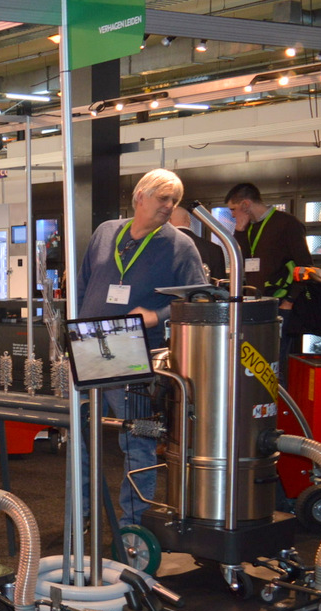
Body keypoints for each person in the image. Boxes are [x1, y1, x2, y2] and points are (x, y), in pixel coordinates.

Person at [78, 168, 207, 529]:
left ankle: (133, 527)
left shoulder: (180, 245)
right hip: (91, 343)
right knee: (81, 437)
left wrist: (156, 316)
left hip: (136, 350)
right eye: (163, 198)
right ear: (139, 197)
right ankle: (80, 517)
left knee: (137, 440)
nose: (169, 206)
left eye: (174, 200)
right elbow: (84, 282)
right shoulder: (106, 232)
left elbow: (199, 299)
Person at [224, 182, 313, 382]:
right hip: (254, 303)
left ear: (246, 204)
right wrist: (239, 230)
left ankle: (278, 400)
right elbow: (241, 262)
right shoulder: (247, 227)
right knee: (253, 361)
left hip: (280, 303)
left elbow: (305, 266)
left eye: (234, 209)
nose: (232, 215)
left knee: (275, 362)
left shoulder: (287, 223)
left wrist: (289, 301)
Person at [169, 206, 227, 281]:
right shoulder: (214, 248)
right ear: (189, 222)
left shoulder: (163, 246)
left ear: (169, 221)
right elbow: (220, 283)